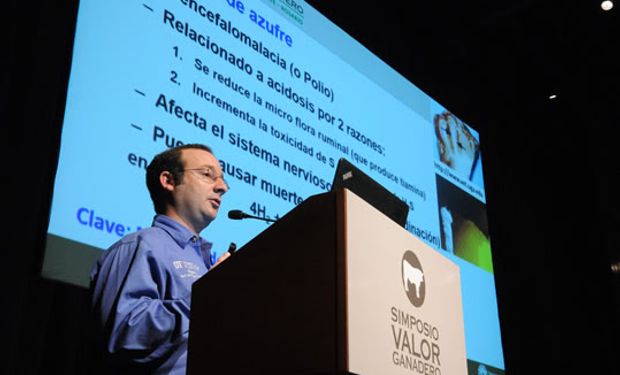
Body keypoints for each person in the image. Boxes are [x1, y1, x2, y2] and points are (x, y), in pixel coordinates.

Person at [90, 144, 230, 374]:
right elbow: (124, 335)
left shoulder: (203, 262)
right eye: (207, 174)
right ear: (168, 181)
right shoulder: (141, 245)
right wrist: (207, 296)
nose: (222, 187)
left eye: (223, 180)